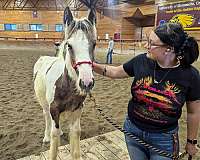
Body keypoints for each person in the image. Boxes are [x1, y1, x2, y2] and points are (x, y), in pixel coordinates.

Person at [93, 22, 200, 160]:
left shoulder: (190, 75)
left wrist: (191, 142)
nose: (146, 46)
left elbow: (194, 112)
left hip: (164, 140)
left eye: (151, 43)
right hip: (133, 132)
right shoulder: (141, 61)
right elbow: (114, 72)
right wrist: (90, 65)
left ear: (168, 49)